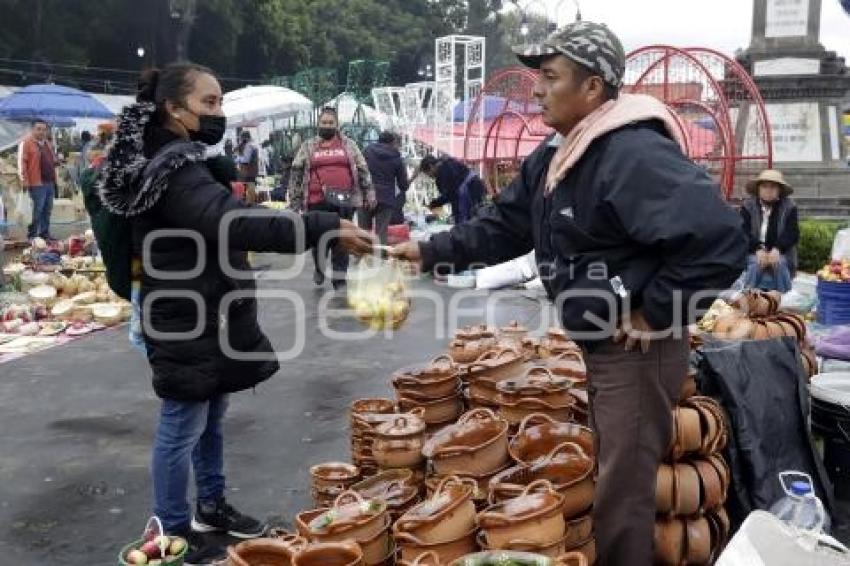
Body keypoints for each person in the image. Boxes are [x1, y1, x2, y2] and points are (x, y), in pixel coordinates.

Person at [391, 22, 746, 565]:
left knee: (622, 491)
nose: (537, 89)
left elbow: (719, 238)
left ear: (593, 88)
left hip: (637, 352)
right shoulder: (561, 154)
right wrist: (431, 250)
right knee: (615, 473)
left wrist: (655, 311)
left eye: (551, 77)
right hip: (602, 344)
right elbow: (504, 225)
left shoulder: (630, 153)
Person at [98, 62, 374, 564]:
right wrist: (322, 225)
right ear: (172, 109)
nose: (218, 113)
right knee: (183, 421)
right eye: (208, 104)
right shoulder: (171, 169)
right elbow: (232, 223)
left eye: (220, 102)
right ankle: (170, 534)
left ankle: (211, 507)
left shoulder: (185, 160)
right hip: (181, 311)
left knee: (211, 413)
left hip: (209, 308)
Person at [289, 107, 375, 290]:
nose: (327, 126)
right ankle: (320, 268)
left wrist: (369, 194)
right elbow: (296, 172)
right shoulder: (308, 146)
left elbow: (362, 169)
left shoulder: (348, 145)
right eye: (324, 123)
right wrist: (295, 201)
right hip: (315, 201)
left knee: (342, 239)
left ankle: (339, 278)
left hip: (344, 201)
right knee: (319, 239)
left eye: (331, 123)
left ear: (337, 125)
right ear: (318, 124)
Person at [739, 169, 799, 293]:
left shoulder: (789, 207)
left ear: (779, 190)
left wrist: (777, 249)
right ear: (758, 189)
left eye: (773, 187)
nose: (768, 190)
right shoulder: (748, 206)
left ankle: (784, 298)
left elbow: (792, 233)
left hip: (780, 252)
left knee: (780, 263)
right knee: (756, 263)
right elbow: (743, 232)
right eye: (764, 186)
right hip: (753, 251)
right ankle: (747, 297)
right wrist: (757, 249)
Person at [360, 131, 409, 244]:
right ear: (392, 142)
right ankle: (379, 260)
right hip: (385, 198)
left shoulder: (366, 151)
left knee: (363, 233)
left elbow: (358, 170)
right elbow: (403, 186)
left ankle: (362, 259)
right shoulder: (397, 158)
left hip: (365, 196)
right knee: (381, 233)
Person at [414, 154, 485, 224]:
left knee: (467, 223)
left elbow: (449, 195)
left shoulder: (443, 172)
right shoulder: (447, 163)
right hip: (474, 186)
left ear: (431, 166)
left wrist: (433, 204)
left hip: (469, 192)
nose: (429, 176)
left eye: (427, 173)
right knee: (475, 220)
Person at [17, 119, 57, 240]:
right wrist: (24, 180)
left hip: (49, 182)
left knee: (47, 210)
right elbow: (21, 162)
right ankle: (33, 236)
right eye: (38, 129)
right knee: (36, 211)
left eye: (44, 129)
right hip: (36, 183)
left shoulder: (47, 143)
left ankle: (44, 233)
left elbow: (52, 160)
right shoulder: (26, 143)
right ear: (32, 129)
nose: (42, 132)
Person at [235, 130, 259, 203]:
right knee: (251, 193)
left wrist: (238, 158)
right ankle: (251, 206)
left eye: (241, 138)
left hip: (247, 173)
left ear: (244, 138)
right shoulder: (254, 145)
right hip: (252, 172)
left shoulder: (249, 146)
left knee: (242, 195)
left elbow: (246, 160)